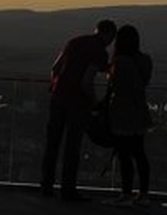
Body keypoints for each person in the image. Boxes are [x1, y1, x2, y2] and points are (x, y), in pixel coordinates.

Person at [40, 19, 116, 201]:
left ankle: (46, 186)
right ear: (109, 34)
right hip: (77, 103)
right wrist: (95, 102)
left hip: (58, 97)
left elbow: (55, 68)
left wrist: (56, 88)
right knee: (72, 147)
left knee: (52, 144)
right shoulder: (99, 52)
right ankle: (68, 190)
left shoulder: (74, 42)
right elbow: (86, 81)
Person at [106, 24, 154, 205]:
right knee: (139, 153)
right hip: (139, 110)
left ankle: (126, 193)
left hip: (122, 111)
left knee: (124, 154)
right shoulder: (146, 60)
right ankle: (143, 194)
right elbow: (144, 82)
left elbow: (115, 86)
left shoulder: (119, 61)